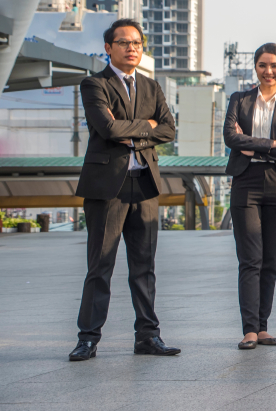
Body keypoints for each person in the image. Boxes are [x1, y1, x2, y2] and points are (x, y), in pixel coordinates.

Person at [70, 19, 180, 361]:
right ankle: (88, 337)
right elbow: (105, 127)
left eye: (137, 43)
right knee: (100, 265)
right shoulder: (94, 85)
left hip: (144, 185)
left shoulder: (151, 86)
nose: (132, 48)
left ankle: (148, 336)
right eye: (124, 42)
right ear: (108, 48)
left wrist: (130, 130)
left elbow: (168, 129)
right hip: (107, 188)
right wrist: (145, 126)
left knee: (144, 267)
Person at [223, 43, 276, 350]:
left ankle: (264, 327)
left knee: (270, 261)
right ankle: (249, 330)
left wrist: (253, 143)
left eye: (274, 66)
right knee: (250, 260)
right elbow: (231, 137)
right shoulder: (239, 100)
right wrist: (273, 142)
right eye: (262, 65)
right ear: (254, 68)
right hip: (246, 182)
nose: (268, 71)